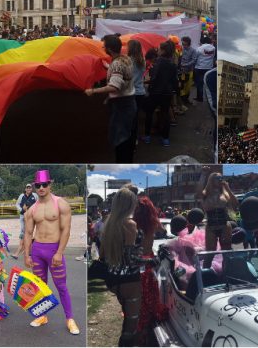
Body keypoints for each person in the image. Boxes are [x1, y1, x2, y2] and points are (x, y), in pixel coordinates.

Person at [23, 170, 79, 334]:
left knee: (61, 286)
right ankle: (42, 315)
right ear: (34, 187)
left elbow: (66, 230)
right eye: (38, 185)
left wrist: (60, 252)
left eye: (44, 185)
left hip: (54, 249)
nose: (41, 188)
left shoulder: (61, 204)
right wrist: (27, 255)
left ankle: (70, 319)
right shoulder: (32, 210)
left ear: (50, 185)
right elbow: (28, 233)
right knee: (40, 286)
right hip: (38, 251)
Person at [100, 187, 154, 346]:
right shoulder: (130, 224)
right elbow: (131, 260)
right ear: (131, 204)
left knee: (126, 321)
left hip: (112, 278)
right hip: (129, 280)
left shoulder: (109, 222)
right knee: (131, 326)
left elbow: (103, 254)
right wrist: (152, 261)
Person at [85, 35, 137, 163]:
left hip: (121, 106)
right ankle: (127, 161)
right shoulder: (125, 59)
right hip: (129, 102)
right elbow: (120, 74)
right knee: (127, 136)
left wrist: (93, 91)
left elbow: (114, 86)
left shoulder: (116, 64)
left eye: (104, 46)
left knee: (120, 139)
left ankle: (122, 163)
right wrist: (109, 66)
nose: (103, 48)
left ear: (109, 49)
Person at [132, 191, 167, 345]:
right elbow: (164, 231)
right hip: (150, 261)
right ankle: (147, 328)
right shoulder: (154, 223)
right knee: (151, 294)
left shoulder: (133, 224)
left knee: (140, 297)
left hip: (138, 262)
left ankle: (141, 330)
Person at [197, 168, 238, 266]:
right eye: (217, 178)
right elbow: (199, 192)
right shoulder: (206, 194)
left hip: (224, 225)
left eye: (221, 178)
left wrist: (228, 188)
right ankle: (206, 277)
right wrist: (203, 175)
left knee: (226, 253)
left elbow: (235, 203)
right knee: (210, 254)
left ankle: (227, 274)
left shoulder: (225, 193)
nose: (220, 179)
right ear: (211, 180)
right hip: (211, 226)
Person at [143, 42, 178, 147]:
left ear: (163, 50)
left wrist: (147, 82)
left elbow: (153, 78)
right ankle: (165, 138)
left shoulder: (157, 62)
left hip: (155, 92)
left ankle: (147, 136)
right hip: (167, 93)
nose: (157, 50)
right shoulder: (172, 64)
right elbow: (174, 81)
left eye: (158, 48)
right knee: (165, 114)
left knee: (149, 113)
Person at [12, 183, 36, 259]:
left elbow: (38, 204)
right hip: (23, 215)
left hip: (32, 216)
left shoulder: (35, 196)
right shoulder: (21, 196)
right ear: (25, 189)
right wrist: (22, 210)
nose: (28, 189)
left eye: (30, 188)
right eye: (27, 188)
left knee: (30, 232)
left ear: (31, 189)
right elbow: (17, 204)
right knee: (23, 231)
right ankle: (24, 251)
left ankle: (28, 251)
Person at [193, 37, 215, 102]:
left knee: (199, 84)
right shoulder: (213, 48)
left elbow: (195, 57)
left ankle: (200, 98)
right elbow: (213, 57)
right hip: (209, 68)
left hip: (199, 67)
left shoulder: (199, 48)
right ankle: (210, 99)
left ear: (202, 41)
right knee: (209, 84)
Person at [178, 36, 197, 105]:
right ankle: (182, 100)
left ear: (188, 43)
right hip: (181, 71)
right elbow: (179, 58)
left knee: (188, 86)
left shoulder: (193, 50)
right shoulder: (181, 49)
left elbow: (194, 60)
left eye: (184, 43)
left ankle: (186, 99)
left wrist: (185, 65)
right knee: (181, 85)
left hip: (189, 71)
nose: (183, 45)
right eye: (182, 43)